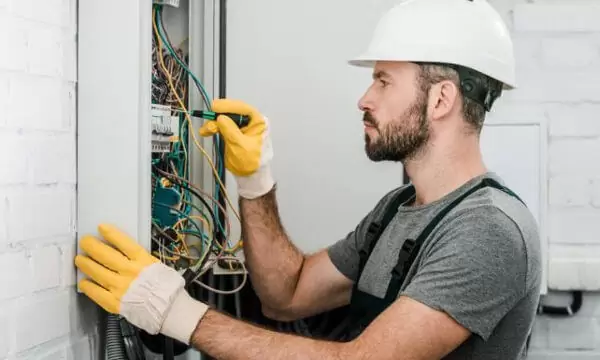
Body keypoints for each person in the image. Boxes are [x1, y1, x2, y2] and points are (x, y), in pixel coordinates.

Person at [75, 0, 542, 359]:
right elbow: (287, 293)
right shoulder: (398, 208)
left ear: (441, 100)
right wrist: (255, 180)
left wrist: (173, 312)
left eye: (383, 81)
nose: (364, 98)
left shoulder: (488, 230)